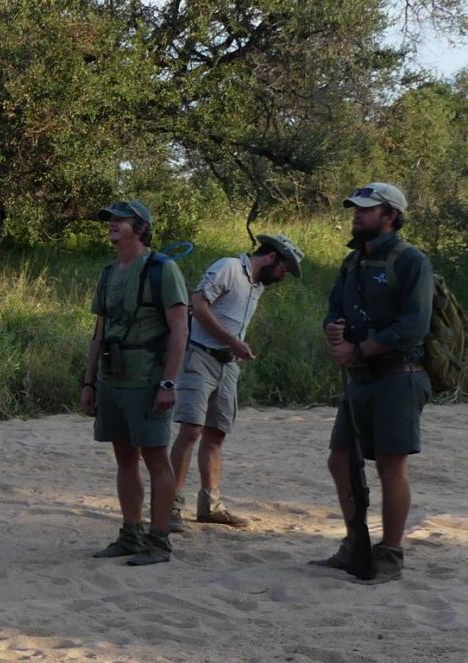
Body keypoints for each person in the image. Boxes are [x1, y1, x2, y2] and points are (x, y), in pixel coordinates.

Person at [312, 182, 433, 584]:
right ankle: (354, 544)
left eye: (367, 209)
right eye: (356, 208)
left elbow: (413, 326)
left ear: (390, 216)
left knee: (389, 465)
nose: (357, 214)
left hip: (399, 376)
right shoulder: (352, 262)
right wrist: (333, 329)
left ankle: (391, 555)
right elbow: (333, 307)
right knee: (339, 459)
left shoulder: (411, 260)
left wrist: (358, 350)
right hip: (360, 379)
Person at [168, 234, 305, 531]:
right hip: (200, 357)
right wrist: (232, 341)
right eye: (285, 268)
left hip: (228, 365)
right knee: (191, 430)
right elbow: (199, 305)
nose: (284, 276)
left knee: (216, 433)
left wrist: (235, 347)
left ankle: (210, 505)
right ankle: (171, 506)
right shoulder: (229, 267)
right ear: (272, 257)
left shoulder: (257, 286)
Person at [81, 200, 190, 565]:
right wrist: (89, 382)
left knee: (156, 459)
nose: (112, 223)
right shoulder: (109, 271)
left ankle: (159, 542)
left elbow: (180, 329)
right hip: (113, 378)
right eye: (110, 218)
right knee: (124, 458)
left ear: (141, 227)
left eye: (120, 219)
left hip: (147, 378)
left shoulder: (163, 269)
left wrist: (169, 383)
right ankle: (131, 534)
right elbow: (99, 331)